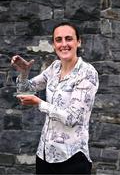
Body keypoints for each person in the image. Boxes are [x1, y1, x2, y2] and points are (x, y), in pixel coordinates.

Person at [11, 22, 99, 174]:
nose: (63, 44)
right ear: (53, 45)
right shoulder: (54, 67)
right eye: (58, 40)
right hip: (44, 154)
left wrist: (39, 103)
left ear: (78, 41)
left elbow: (72, 118)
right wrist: (24, 73)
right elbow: (25, 89)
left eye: (68, 38)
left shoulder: (87, 73)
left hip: (72, 158)